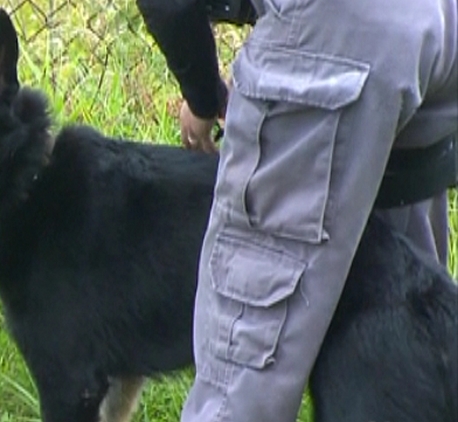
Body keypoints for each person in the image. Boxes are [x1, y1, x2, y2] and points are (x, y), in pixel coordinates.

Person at [135, 0, 458, 421]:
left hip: (337, 33)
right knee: (412, 335)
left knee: (244, 365)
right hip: (438, 22)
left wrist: (202, 95)